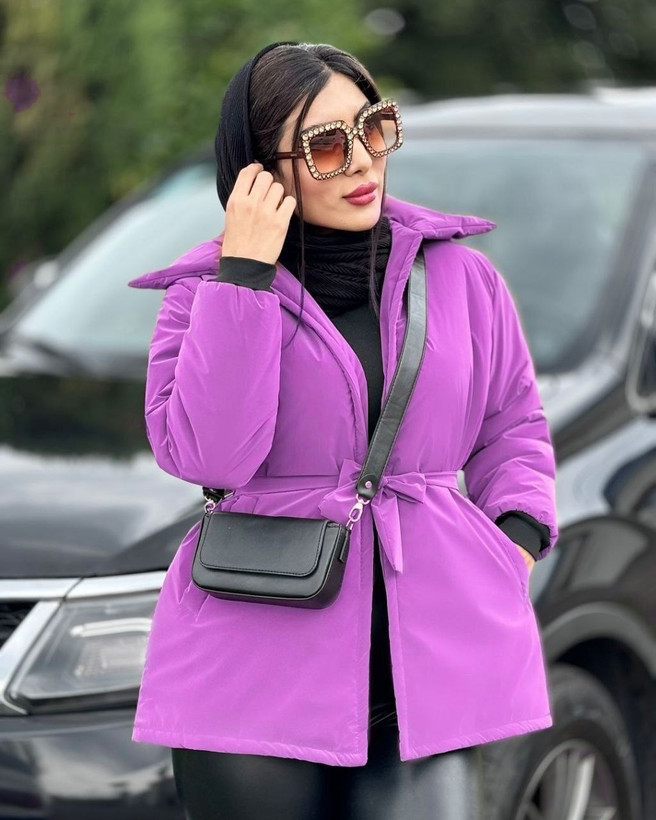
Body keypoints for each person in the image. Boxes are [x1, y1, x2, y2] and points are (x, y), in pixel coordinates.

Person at [127, 41, 558, 820]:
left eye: (374, 128)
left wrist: (514, 540)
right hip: (249, 673)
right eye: (326, 145)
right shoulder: (204, 295)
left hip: (427, 668)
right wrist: (244, 279)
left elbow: (513, 422)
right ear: (261, 173)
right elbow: (213, 456)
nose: (362, 161)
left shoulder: (461, 277)